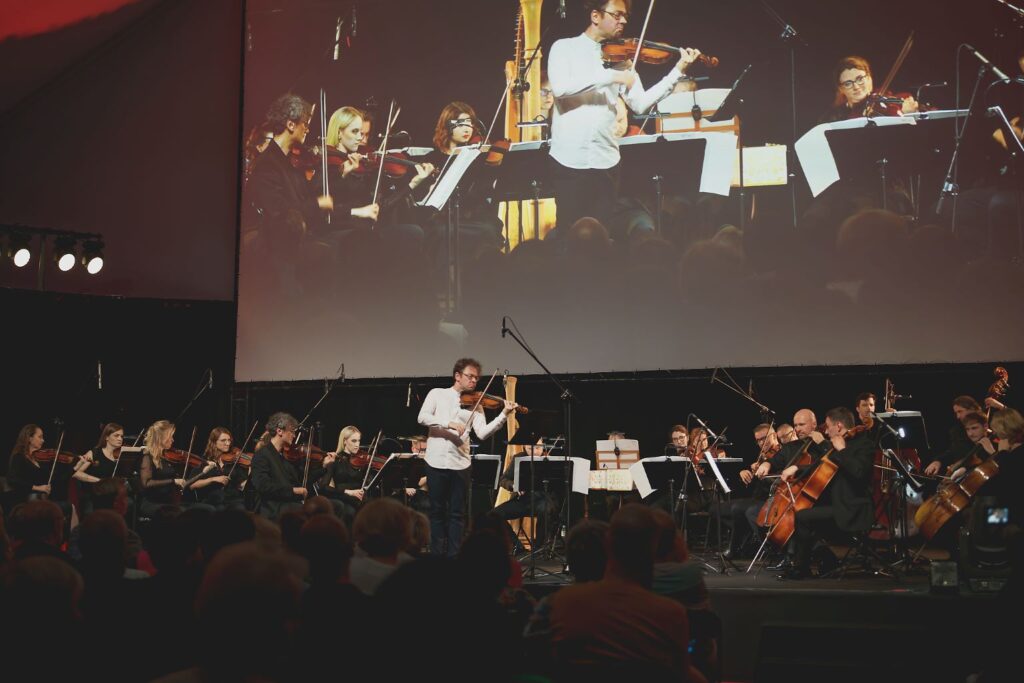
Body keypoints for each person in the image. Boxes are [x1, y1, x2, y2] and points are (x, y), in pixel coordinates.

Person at [546, 0, 700, 237]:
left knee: (603, 238)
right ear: (596, 16)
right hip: (569, 160)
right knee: (568, 236)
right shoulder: (564, 48)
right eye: (617, 15)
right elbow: (561, 88)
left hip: (606, 162)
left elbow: (640, 103)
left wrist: (677, 71)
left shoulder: (622, 59)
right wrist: (612, 77)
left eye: (625, 16)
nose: (624, 21)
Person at [417, 357, 516, 556]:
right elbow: (423, 417)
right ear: (457, 376)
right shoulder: (437, 394)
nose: (473, 381)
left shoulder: (476, 404)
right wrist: (449, 423)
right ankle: (437, 556)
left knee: (457, 514)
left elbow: (482, 433)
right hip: (435, 461)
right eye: (470, 377)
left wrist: (503, 414)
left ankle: (454, 557)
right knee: (436, 513)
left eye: (476, 378)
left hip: (460, 464)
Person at [778, 407, 875, 579]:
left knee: (803, 517)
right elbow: (819, 466)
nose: (826, 430)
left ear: (838, 426)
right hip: (838, 505)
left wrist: (842, 451)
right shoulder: (838, 445)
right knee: (801, 513)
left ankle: (802, 568)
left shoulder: (863, 444)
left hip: (853, 509)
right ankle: (823, 560)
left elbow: (859, 472)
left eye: (828, 426)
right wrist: (796, 467)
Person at [825, 55, 918, 122]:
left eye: (860, 79)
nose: (856, 87)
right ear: (841, 88)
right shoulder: (832, 118)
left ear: (870, 78)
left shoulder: (885, 102)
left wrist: (909, 116)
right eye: (848, 83)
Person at [249, 412, 307, 520]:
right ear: (279, 431)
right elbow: (263, 486)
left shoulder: (283, 457)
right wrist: (292, 490)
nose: (294, 436)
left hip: (285, 502)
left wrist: (324, 468)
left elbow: (299, 480)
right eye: (292, 432)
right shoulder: (262, 455)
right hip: (270, 506)